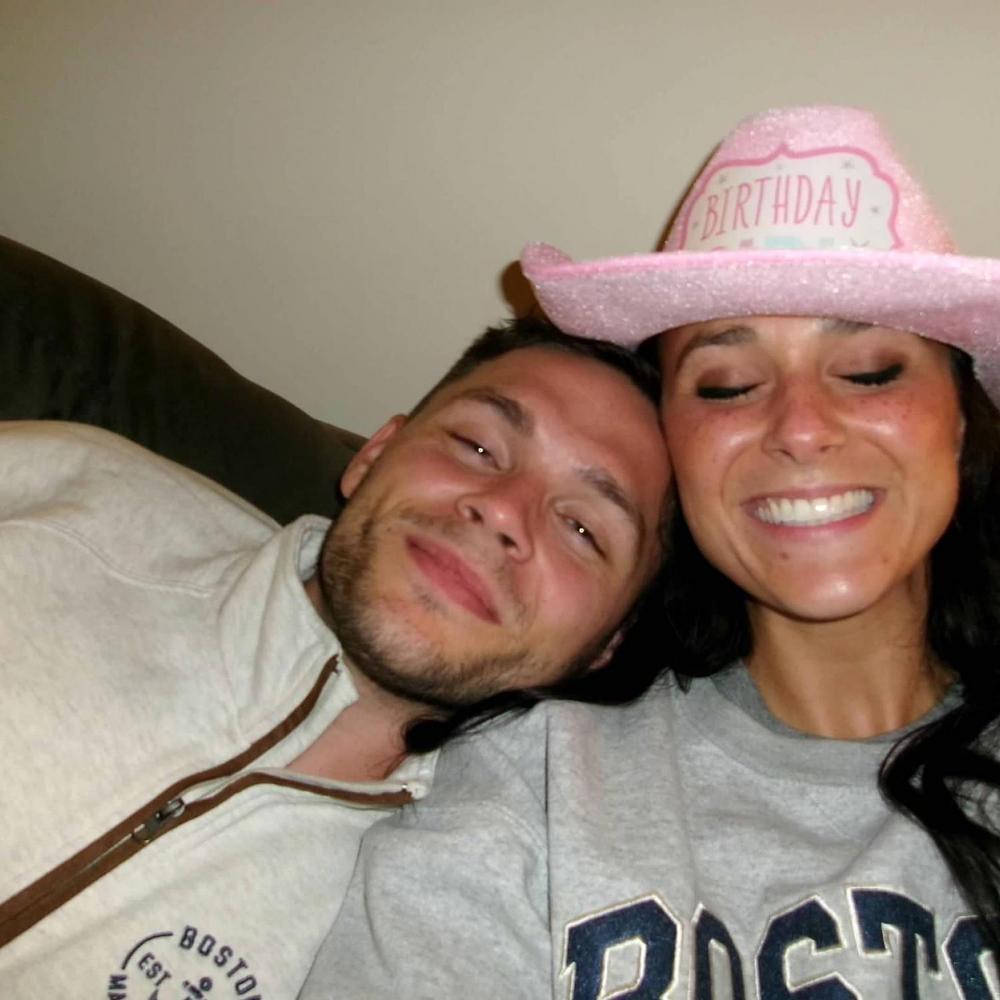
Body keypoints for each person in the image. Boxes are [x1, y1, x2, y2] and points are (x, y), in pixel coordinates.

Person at [304, 106, 1000, 998]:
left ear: (959, 419)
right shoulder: (539, 779)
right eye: (727, 384)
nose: (799, 427)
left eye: (869, 371)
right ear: (677, 449)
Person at [0, 316, 672, 998]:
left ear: (607, 644)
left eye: (582, 528)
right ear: (374, 454)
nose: (503, 511)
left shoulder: (453, 926)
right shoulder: (69, 490)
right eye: (476, 446)